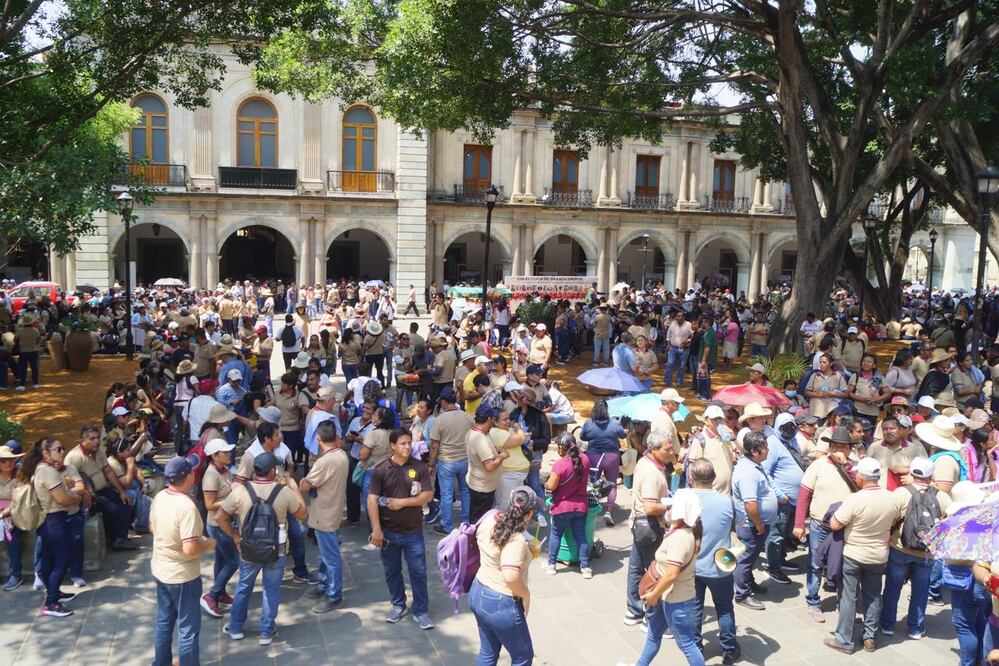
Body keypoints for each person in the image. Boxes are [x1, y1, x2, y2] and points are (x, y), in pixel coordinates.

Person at [218, 452, 308, 645]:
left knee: (243, 588)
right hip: (276, 550)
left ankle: (235, 628)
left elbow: (219, 516)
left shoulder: (241, 491)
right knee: (272, 589)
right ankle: (267, 632)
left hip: (248, 550)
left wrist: (235, 536)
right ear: (273, 471)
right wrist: (293, 486)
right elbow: (302, 514)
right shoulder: (283, 492)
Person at [824, 458, 905, 654]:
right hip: (878, 556)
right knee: (873, 596)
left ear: (860, 477)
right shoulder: (892, 498)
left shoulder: (855, 499)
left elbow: (835, 524)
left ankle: (844, 639)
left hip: (854, 554)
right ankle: (869, 637)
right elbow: (895, 519)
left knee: (848, 597)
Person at [368, 428, 435, 629]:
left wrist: (402, 503)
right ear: (393, 446)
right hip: (388, 532)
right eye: (403, 443)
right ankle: (398, 605)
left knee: (418, 571)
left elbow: (427, 496)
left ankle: (421, 610)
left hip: (413, 531)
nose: (407, 447)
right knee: (392, 571)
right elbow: (372, 500)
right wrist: (376, 529)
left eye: (409, 443)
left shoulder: (419, 467)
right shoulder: (381, 470)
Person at [150, 457, 215, 666]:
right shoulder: (187, 507)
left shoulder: (160, 496)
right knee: (188, 629)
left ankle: (161, 663)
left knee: (164, 622)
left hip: (161, 570)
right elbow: (189, 548)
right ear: (188, 477)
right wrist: (208, 544)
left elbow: (153, 527)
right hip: (183, 577)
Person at [469, 486, 542, 666]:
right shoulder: (515, 539)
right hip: (501, 602)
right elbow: (510, 576)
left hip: (478, 590)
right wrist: (526, 595)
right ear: (529, 514)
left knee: (488, 651)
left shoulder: (489, 518)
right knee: (523, 656)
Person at [793, 425, 857, 623]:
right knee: (815, 563)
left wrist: (845, 467)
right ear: (829, 447)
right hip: (820, 524)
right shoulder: (818, 465)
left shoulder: (855, 466)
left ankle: (842, 603)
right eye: (835, 446)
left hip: (846, 525)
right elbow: (804, 494)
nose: (839, 449)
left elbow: (862, 488)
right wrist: (799, 524)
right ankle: (813, 600)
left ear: (850, 448)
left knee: (843, 565)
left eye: (844, 446)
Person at [879, 456, 949, 640]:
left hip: (900, 548)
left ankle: (887, 625)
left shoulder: (901, 493)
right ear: (930, 475)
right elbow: (950, 519)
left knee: (893, 588)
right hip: (926, 553)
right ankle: (915, 628)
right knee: (920, 590)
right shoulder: (941, 496)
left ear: (911, 472)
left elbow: (889, 517)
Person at [636, 489, 706, 666]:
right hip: (671, 597)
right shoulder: (684, 531)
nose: (667, 508)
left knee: (687, 645)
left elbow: (672, 574)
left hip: (676, 600)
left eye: (671, 506)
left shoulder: (680, 538)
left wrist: (653, 595)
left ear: (680, 512)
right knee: (653, 633)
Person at [19, 437, 81, 617]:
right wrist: (76, 497)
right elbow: (62, 499)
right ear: (46, 452)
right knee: (62, 559)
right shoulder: (48, 472)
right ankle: (51, 602)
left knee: (48, 560)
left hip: (48, 522)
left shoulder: (39, 469)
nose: (63, 452)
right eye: (58, 449)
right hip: (55, 521)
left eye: (62, 449)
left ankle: (55, 593)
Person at [688, 459, 740, 664]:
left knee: (694, 609)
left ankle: (695, 648)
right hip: (720, 565)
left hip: (692, 565)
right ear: (714, 478)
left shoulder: (686, 499)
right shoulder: (726, 501)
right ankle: (729, 647)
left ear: (692, 478)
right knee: (725, 608)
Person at [299, 421, 349, 614]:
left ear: (319, 439)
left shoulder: (324, 461)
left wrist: (302, 481)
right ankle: (323, 582)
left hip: (324, 514)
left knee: (331, 557)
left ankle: (334, 595)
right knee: (327, 552)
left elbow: (306, 486)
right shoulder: (340, 455)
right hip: (333, 510)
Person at [624, 433, 675, 626]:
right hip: (650, 526)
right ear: (654, 449)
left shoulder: (646, 463)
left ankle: (634, 610)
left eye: (671, 448)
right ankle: (651, 616)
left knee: (636, 569)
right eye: (667, 449)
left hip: (640, 525)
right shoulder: (652, 473)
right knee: (654, 571)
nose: (671, 452)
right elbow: (650, 507)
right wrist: (671, 505)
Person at [65, 424, 137, 551]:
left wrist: (121, 491)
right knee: (113, 509)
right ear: (83, 440)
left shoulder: (99, 452)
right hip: (90, 495)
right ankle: (114, 539)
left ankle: (121, 538)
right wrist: (86, 493)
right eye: (92, 439)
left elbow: (108, 471)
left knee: (126, 502)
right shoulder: (74, 457)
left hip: (103, 490)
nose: (97, 441)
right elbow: (69, 481)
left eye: (98, 438)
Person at [731, 431, 781, 611]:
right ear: (754, 452)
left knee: (750, 557)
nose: (767, 451)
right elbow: (750, 504)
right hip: (751, 525)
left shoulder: (754, 465)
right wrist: (759, 524)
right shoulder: (747, 473)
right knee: (744, 559)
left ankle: (748, 583)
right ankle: (742, 594)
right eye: (764, 448)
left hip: (756, 524)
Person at [763, 412, 805, 585]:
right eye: (784, 427)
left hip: (795, 500)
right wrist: (779, 494)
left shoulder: (794, 442)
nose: (788, 430)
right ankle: (773, 567)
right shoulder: (773, 444)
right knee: (776, 534)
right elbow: (765, 472)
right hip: (782, 500)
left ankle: (781, 559)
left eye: (791, 426)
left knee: (786, 533)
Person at [543, 433, 592, 578]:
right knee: (580, 536)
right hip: (580, 507)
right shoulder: (585, 459)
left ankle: (551, 565)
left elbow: (551, 486)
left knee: (556, 535)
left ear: (561, 448)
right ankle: (586, 568)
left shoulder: (560, 464)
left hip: (562, 507)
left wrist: (546, 483)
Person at [200, 439, 237, 619]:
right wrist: (232, 502)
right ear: (214, 456)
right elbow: (209, 504)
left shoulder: (225, 470)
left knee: (221, 560)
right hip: (217, 524)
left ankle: (220, 592)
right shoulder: (211, 476)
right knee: (234, 561)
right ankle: (212, 595)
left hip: (224, 521)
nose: (229, 454)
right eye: (225, 452)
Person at [428, 386, 473, 536]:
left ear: (443, 402)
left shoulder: (440, 419)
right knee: (465, 491)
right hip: (464, 459)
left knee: (446, 494)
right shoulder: (466, 416)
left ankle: (446, 526)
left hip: (446, 461)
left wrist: (430, 464)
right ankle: (466, 522)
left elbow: (434, 445)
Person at [579, 399, 627, 524]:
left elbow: (582, 436)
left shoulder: (589, 423)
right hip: (612, 457)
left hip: (593, 456)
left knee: (592, 483)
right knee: (611, 484)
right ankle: (609, 511)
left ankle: (592, 509)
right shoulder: (615, 423)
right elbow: (623, 435)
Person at [466, 405, 509, 522]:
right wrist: (501, 457)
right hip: (482, 488)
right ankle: (476, 539)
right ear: (489, 419)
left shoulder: (474, 432)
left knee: (477, 516)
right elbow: (489, 466)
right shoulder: (480, 439)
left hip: (479, 483)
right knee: (480, 520)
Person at [0, 444, 25, 591]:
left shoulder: (20, 476)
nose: (8, 463)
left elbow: (21, 500)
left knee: (12, 536)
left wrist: (4, 514)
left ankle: (16, 574)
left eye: (10, 460)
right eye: (3, 461)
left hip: (18, 513)